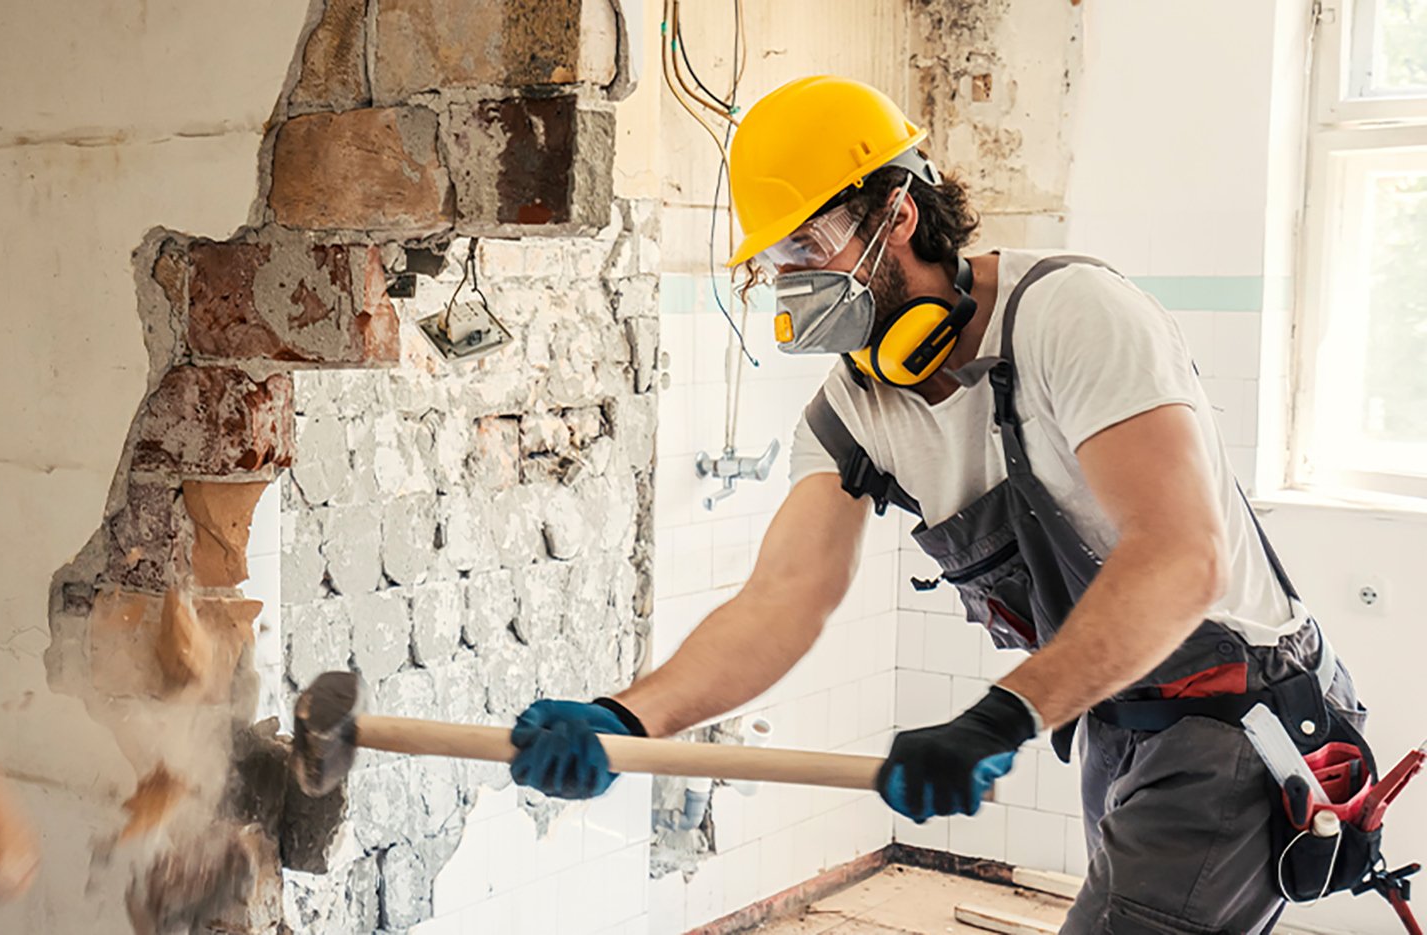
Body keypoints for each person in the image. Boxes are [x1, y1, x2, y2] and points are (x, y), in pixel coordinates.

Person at [506, 76, 1369, 934]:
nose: (788, 281)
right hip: (1118, 718)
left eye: (807, 244)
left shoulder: (1071, 315)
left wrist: (1002, 714)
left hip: (1233, 718)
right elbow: (784, 598)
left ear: (898, 214)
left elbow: (1183, 557)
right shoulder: (854, 407)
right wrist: (627, 718)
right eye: (773, 262)